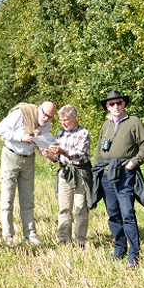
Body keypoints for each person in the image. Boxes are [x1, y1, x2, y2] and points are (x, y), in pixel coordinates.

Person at [92, 91, 144, 267]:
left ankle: (134, 255)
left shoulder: (134, 122)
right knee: (113, 214)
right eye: (111, 104)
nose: (116, 107)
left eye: (118, 103)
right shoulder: (106, 124)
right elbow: (98, 150)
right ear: (107, 107)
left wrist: (133, 163)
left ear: (124, 104)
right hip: (105, 175)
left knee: (127, 214)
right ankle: (119, 249)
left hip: (124, 174)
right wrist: (97, 170)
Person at [0, 100, 57, 245]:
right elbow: (0, 129)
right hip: (11, 155)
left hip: (28, 159)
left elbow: (45, 139)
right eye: (45, 114)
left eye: (50, 117)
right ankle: (7, 237)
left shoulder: (46, 123)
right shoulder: (21, 113)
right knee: (7, 198)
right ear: (39, 109)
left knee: (28, 200)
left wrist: (41, 142)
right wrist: (21, 136)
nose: (46, 118)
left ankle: (30, 236)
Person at [44, 105, 92, 246]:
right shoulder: (61, 133)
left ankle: (80, 240)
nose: (63, 123)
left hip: (80, 172)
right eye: (61, 120)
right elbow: (58, 157)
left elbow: (79, 154)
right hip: (64, 172)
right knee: (64, 207)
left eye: (65, 120)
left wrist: (63, 151)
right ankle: (64, 240)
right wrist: (50, 155)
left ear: (74, 117)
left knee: (80, 207)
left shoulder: (83, 133)